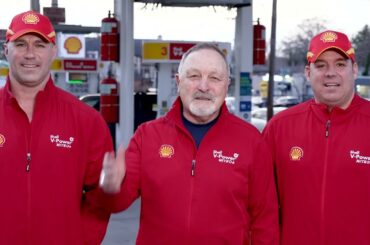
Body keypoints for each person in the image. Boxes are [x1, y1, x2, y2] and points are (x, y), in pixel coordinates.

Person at [101, 43, 279, 244]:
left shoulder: (250, 141)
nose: (204, 86)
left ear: (226, 84)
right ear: (178, 81)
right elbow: (116, 203)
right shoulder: (147, 136)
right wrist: (110, 188)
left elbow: (265, 220)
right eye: (194, 76)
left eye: (214, 78)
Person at [0, 11, 113, 244]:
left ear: (54, 51)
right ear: (6, 50)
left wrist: (81, 240)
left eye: (39, 45)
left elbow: (99, 198)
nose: (30, 54)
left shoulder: (87, 121)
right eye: (20, 44)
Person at [263, 30, 370, 245]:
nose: (330, 73)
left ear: (355, 69)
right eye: (320, 65)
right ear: (307, 72)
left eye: (340, 64)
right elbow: (259, 204)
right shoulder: (280, 126)